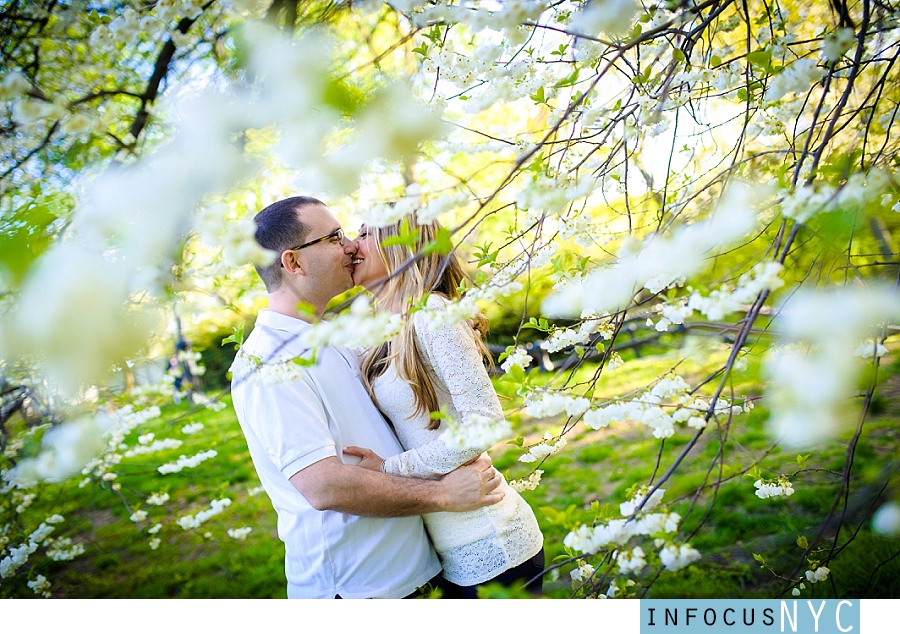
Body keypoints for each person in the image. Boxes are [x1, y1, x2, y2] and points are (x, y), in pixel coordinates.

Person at [229, 196, 505, 599]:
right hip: (360, 589)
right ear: (293, 263)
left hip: (425, 570)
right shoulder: (267, 363)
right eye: (334, 237)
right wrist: (443, 495)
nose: (350, 246)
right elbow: (324, 486)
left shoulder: (336, 338)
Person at [343, 214, 545, 599]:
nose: (352, 245)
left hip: (492, 541)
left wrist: (389, 470)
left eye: (365, 234)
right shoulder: (383, 330)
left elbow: (484, 424)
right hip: (444, 548)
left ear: (398, 246)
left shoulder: (433, 314)